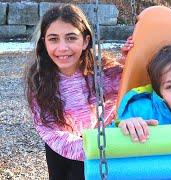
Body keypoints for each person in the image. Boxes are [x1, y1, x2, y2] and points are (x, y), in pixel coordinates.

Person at [25, 4, 131, 180]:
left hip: (101, 141)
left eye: (71, 38)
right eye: (53, 39)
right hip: (63, 149)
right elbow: (49, 130)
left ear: (86, 41)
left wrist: (129, 58)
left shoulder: (103, 70)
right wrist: (94, 148)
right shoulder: (40, 80)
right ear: (44, 42)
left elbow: (134, 83)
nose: (62, 48)